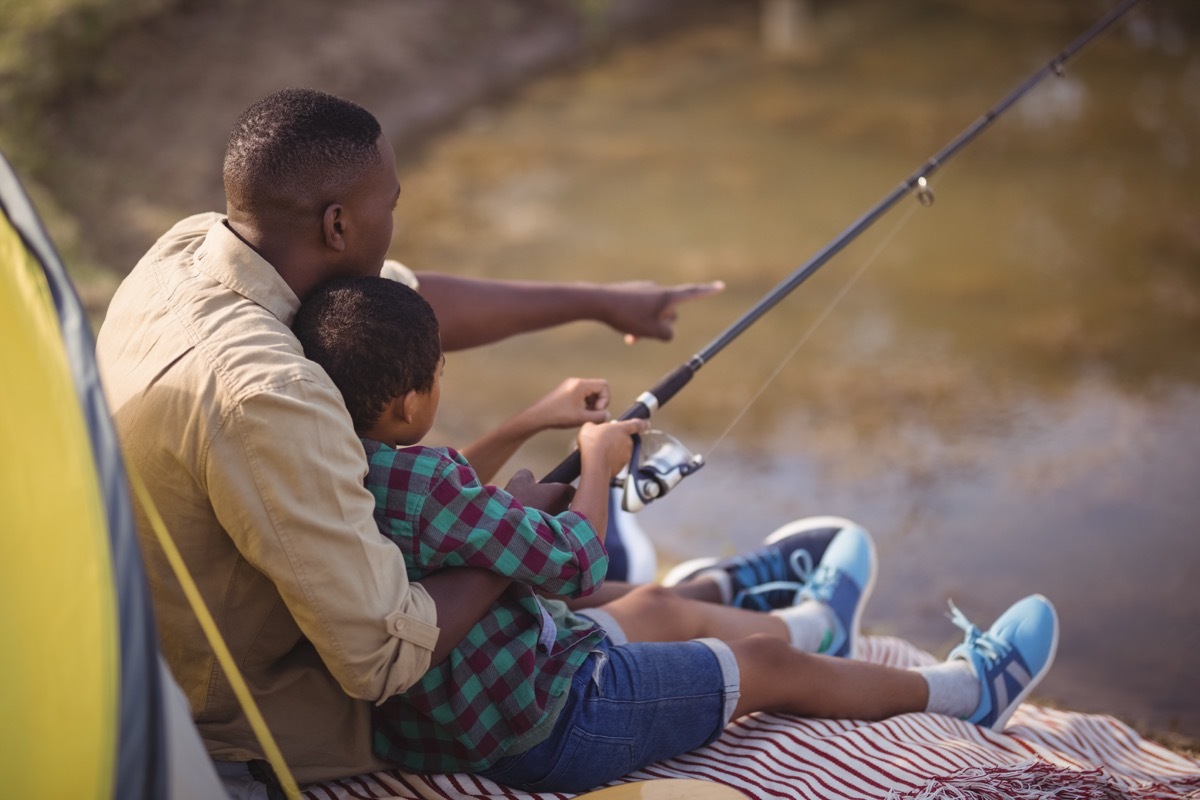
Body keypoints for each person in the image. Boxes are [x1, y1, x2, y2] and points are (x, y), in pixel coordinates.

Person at [93, 86, 723, 792]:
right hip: (254, 713)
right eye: (389, 205)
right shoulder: (269, 394)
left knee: (633, 606)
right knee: (602, 613)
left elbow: (409, 306)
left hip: (151, 648)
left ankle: (707, 594)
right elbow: (384, 657)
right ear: (338, 225)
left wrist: (601, 303)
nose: (394, 219)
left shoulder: (187, 252)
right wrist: (510, 536)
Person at [291, 274, 1062, 794]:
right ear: (405, 402)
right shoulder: (426, 484)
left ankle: (819, 626)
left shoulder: (347, 465)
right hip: (550, 720)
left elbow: (449, 492)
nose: (441, 384)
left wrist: (533, 423)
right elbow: (576, 561)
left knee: (657, 608)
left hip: (483, 694)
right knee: (764, 665)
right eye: (438, 376)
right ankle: (969, 695)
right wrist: (597, 462)